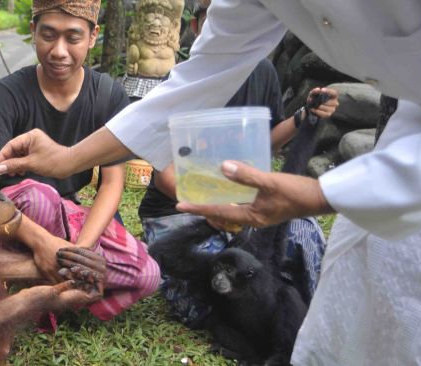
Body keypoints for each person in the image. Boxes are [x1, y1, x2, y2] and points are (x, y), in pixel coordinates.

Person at [0, 0, 421, 363]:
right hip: (198, 208)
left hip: (409, 165)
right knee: (354, 310)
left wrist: (311, 180)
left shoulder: (261, 76)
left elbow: (268, 149)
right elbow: (188, 88)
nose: (59, 49)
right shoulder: (13, 94)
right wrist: (68, 159)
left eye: (73, 36)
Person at [138, 0, 339, 327]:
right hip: (180, 210)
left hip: (243, 208)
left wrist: (305, 117)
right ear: (196, 27)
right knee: (202, 302)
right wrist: (216, 211)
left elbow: (264, 143)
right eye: (219, 19)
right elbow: (165, 176)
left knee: (304, 232)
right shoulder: (180, 80)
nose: (232, 29)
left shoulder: (262, 71)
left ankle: (312, 317)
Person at [0, 0, 160, 321]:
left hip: (68, 218)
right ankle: (43, 274)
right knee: (37, 194)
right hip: (15, 222)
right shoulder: (6, 95)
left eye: (72, 37)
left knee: (148, 274)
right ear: (33, 32)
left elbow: (112, 183)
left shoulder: (108, 96)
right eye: (48, 35)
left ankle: (49, 279)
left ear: (92, 36)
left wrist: (82, 252)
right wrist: (41, 241)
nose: (59, 51)